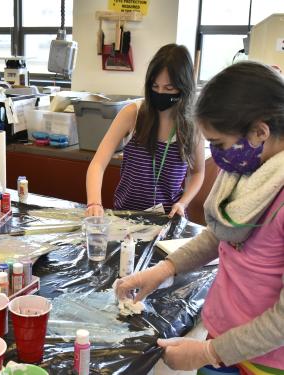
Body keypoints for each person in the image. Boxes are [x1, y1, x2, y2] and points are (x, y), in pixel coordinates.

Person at [115, 61, 284, 373]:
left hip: (266, 360)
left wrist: (208, 353)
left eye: (219, 144)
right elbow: (220, 234)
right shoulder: (249, 169)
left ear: (260, 132)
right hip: (222, 337)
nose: (217, 157)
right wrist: (163, 270)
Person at [86, 44, 205, 218]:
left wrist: (183, 202)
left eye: (169, 88)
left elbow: (198, 172)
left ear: (183, 88)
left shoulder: (192, 125)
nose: (160, 92)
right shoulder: (133, 113)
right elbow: (98, 163)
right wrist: (94, 202)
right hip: (127, 217)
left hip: (169, 218)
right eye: (155, 86)